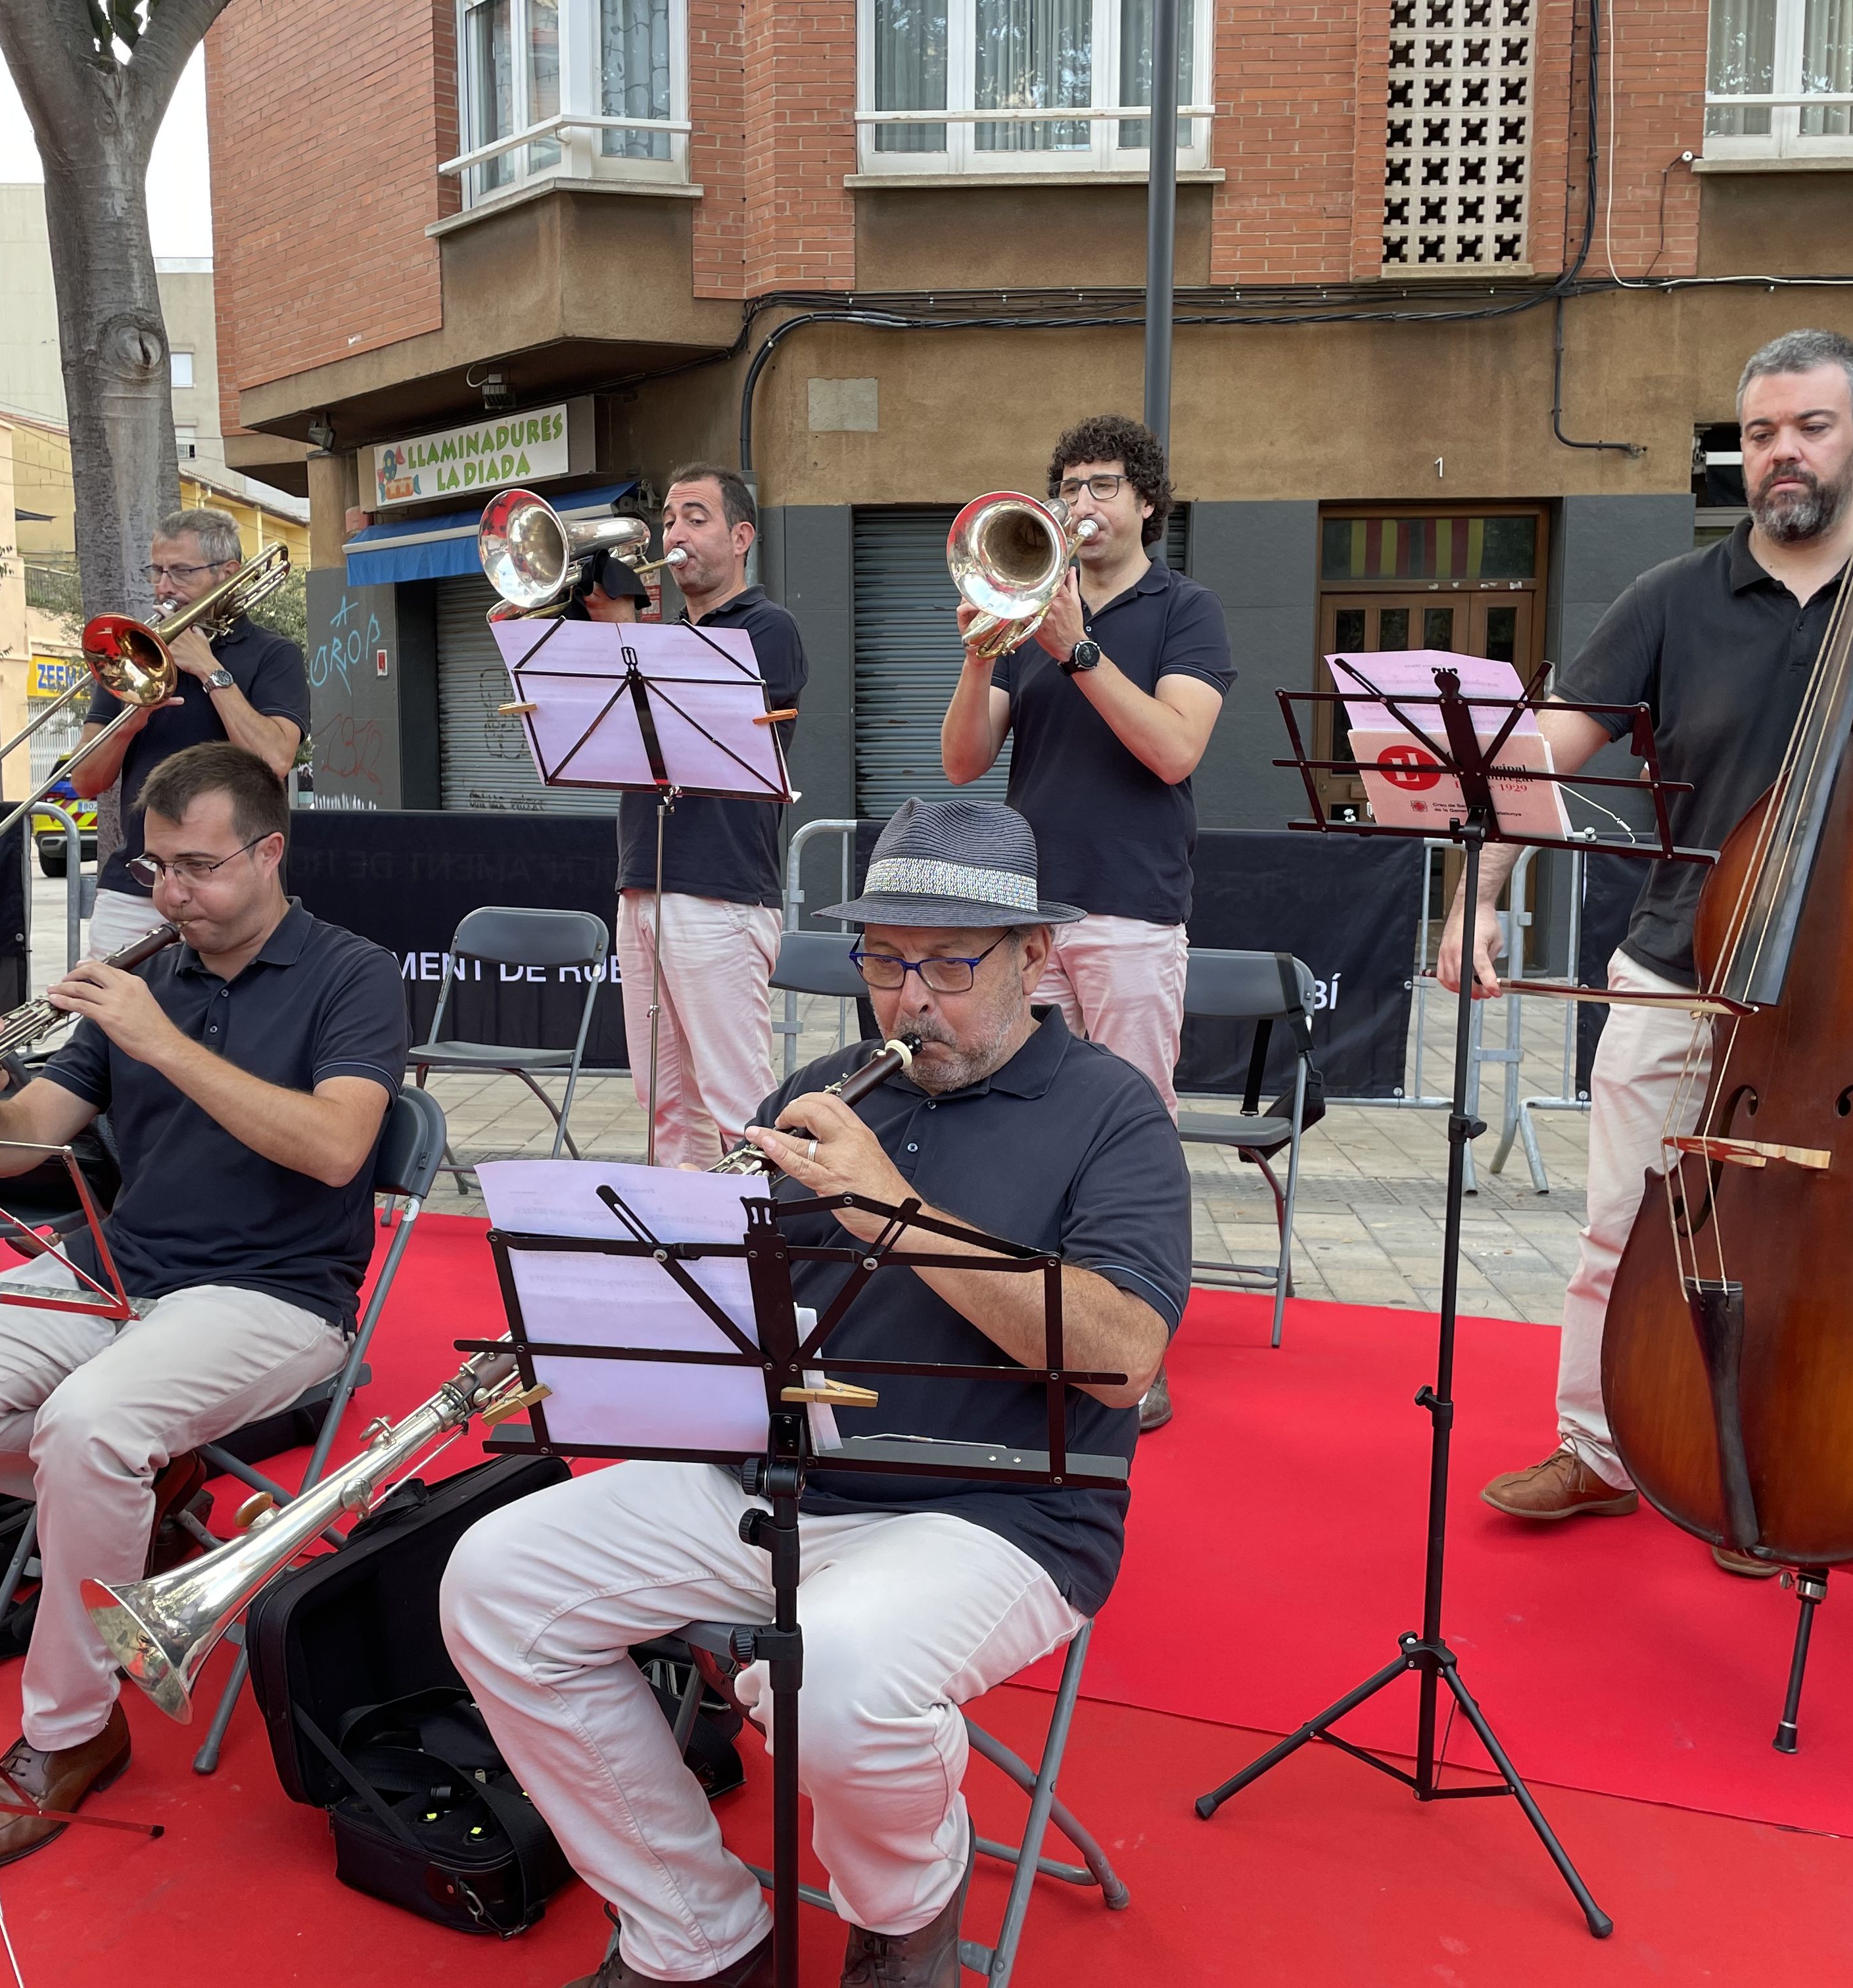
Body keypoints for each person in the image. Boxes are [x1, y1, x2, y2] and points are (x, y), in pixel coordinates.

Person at [443, 796, 1186, 1988]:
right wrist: (608, 1310)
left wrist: (888, 1208)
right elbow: (730, 1303)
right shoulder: (829, 1084)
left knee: (826, 1674)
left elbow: (1123, 1355)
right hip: (774, 1474)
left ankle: (906, 1911)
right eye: (884, 960)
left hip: (1001, 1511)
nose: (911, 999)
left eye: (950, 962)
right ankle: (694, 1926)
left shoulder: (1112, 1111)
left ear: (1035, 956)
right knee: (492, 1581)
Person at [1438, 329, 1853, 1575]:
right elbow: (1536, 762)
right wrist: (1474, 895)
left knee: (1804, 1253)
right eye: (1757, 434)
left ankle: (1772, 1465)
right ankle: (1597, 1447)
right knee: (1623, 1231)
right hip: (1675, 967)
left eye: (1807, 427)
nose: (1780, 453)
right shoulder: (1669, 599)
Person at [0, 742, 409, 1873]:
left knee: (87, 1428)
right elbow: (20, 1149)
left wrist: (165, 1040)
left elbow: (340, 1147)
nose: (172, 893)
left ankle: (71, 1727)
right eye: (154, 868)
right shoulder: (151, 971)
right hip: (119, 1265)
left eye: (199, 866)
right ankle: (131, 1500)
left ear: (269, 850)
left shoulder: (352, 972)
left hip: (276, 1291)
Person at [939, 412, 1234, 1431]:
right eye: (1070, 487)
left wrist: (1076, 649)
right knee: (1012, 1113)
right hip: (1029, 914)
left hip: (1132, 909)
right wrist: (985, 653)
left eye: (1106, 486)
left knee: (1129, 1133)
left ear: (1148, 503)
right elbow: (963, 764)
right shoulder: (1030, 613)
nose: (1084, 504)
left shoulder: (1184, 611)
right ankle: (1023, 1324)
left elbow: (1173, 751)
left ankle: (1131, 1353)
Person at [614, 465, 809, 1171]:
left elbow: (706, 705)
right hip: (644, 880)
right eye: (669, 519)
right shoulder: (656, 639)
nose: (675, 533)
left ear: (741, 536)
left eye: (695, 517)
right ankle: (690, 1259)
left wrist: (621, 628)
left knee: (742, 1110)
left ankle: (774, 1258)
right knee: (665, 1105)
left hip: (720, 890)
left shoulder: (769, 628)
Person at [71, 508, 308, 951]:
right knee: (109, 1016)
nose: (163, 587)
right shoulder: (133, 653)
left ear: (228, 573)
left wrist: (209, 668)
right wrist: (131, 719)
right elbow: (86, 781)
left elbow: (275, 759)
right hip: (136, 883)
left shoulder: (274, 655)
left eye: (180, 571)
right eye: (157, 571)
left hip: (232, 886)